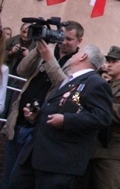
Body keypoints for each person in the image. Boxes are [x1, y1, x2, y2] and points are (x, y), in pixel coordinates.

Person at [7, 45, 113, 189]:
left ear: (83, 57)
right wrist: (37, 115)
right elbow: (62, 106)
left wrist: (66, 120)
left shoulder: (96, 83)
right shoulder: (69, 79)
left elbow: (102, 117)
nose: (73, 55)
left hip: (59, 160)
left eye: (78, 52)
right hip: (35, 155)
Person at [1, 20, 84, 185]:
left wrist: (49, 59)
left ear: (79, 41)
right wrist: (39, 50)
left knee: (20, 180)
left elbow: (66, 87)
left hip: (39, 130)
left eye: (69, 39)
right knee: (6, 177)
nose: (63, 43)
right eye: (62, 37)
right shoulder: (48, 50)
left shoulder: (78, 62)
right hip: (19, 121)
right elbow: (21, 70)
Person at [75, 46, 120, 189]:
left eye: (114, 61)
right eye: (108, 61)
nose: (109, 64)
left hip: (113, 151)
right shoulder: (103, 84)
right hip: (92, 146)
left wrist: (101, 105)